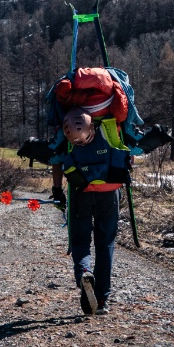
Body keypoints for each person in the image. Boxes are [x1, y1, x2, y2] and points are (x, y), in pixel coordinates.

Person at [48, 107, 132, 315]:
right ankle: (101, 298)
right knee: (105, 244)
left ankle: (85, 272)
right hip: (110, 192)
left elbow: (57, 161)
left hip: (80, 191)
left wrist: (57, 190)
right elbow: (129, 153)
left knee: (80, 241)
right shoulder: (112, 121)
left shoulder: (66, 123)